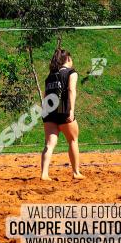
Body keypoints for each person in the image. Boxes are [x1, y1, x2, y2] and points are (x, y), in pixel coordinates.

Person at [40, 48, 82, 181]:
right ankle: (76, 172)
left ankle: (44, 174)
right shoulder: (71, 72)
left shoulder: (50, 75)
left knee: (49, 144)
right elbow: (71, 90)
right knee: (73, 140)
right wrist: (71, 110)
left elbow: (45, 95)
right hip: (63, 109)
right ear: (68, 59)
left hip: (49, 112)